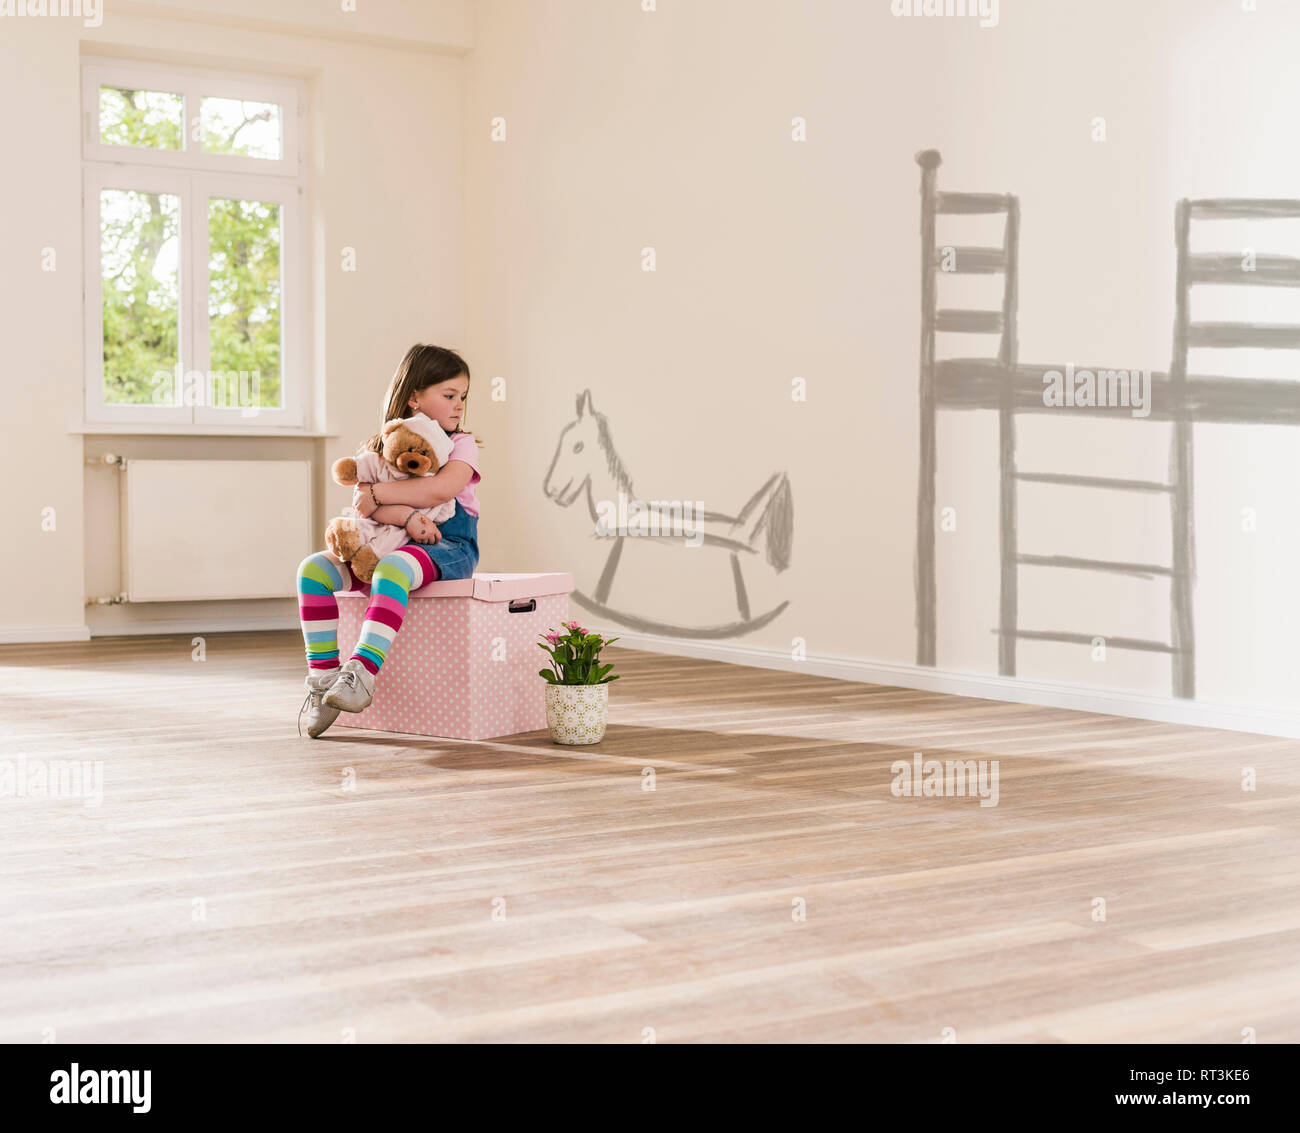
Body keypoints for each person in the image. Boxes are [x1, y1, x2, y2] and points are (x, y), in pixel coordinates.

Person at [295, 344, 482, 738]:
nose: (459, 406)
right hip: (382, 542)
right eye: (449, 395)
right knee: (312, 569)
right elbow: (364, 506)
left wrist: (382, 495)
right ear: (415, 396)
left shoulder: (460, 445)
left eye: (462, 397)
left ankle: (361, 673)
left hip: (447, 547)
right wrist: (404, 515)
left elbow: (441, 489)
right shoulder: (378, 447)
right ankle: (324, 679)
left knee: (394, 568)